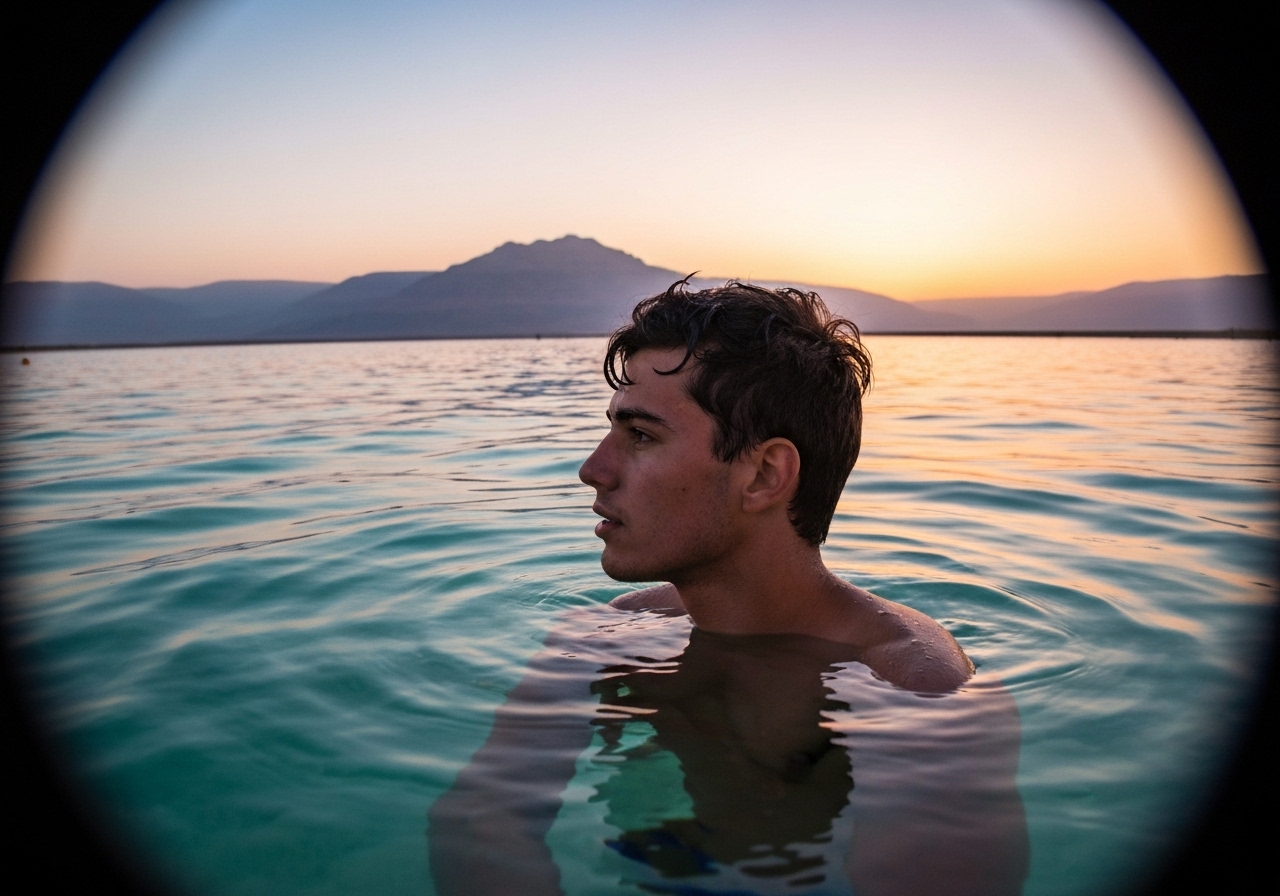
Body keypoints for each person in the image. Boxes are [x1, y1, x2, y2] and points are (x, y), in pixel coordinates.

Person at [429, 281, 1028, 896]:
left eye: (641, 436)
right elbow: (481, 821)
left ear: (764, 475)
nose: (593, 469)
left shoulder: (918, 689)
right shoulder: (607, 636)